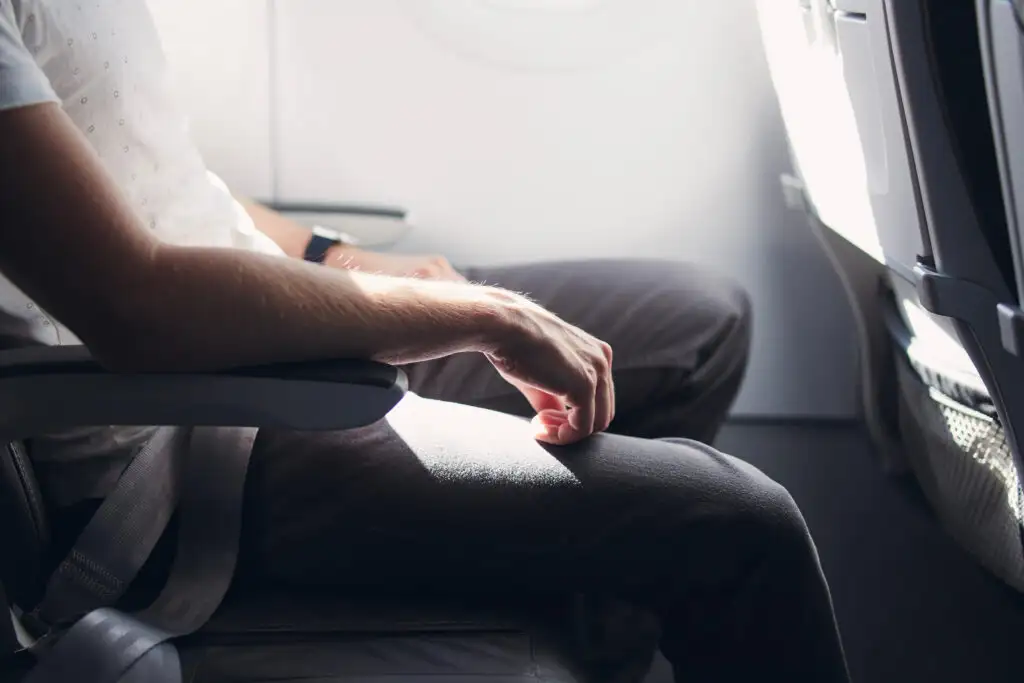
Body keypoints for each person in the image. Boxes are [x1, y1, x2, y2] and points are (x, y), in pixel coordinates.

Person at [0, 1, 851, 681]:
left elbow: (158, 176)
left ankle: (593, 652)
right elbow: (134, 301)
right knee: (744, 526)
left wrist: (337, 257)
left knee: (703, 318)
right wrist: (487, 314)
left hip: (258, 334)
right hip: (175, 443)